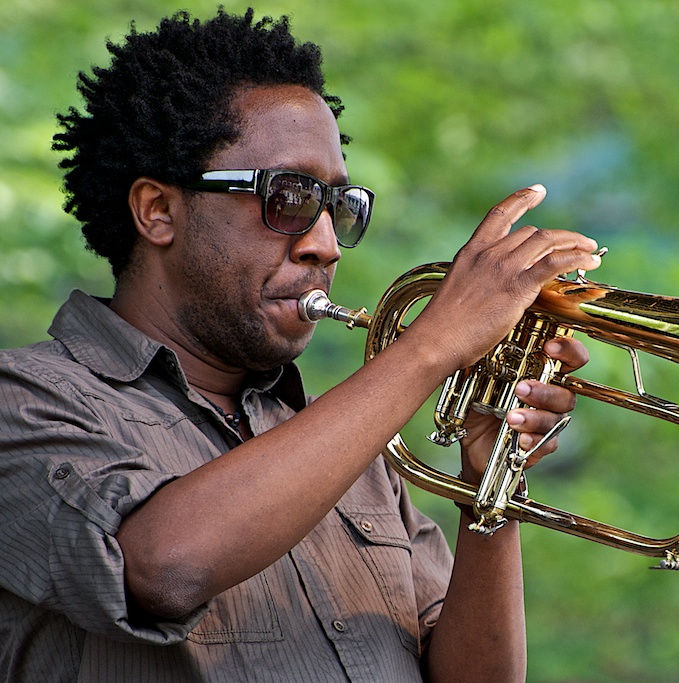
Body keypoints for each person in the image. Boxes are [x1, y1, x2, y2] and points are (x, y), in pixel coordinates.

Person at [0, 8, 602, 682]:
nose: (327, 243)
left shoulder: (354, 454)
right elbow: (161, 567)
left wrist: (490, 488)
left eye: (338, 207)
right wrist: (435, 344)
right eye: (288, 199)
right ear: (158, 211)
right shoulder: (24, 400)